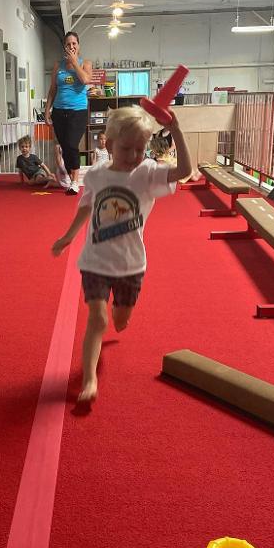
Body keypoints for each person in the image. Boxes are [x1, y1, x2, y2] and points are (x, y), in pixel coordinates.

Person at [51, 105, 193, 403]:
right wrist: (68, 236)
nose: (134, 155)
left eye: (140, 148)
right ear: (109, 143)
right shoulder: (97, 175)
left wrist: (176, 130)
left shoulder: (148, 174)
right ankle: (89, 380)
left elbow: (184, 172)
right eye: (126, 148)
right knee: (98, 319)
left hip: (131, 264)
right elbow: (87, 206)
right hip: (96, 261)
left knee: (120, 320)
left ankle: (119, 318)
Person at [45, 31, 92, 196]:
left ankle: (75, 181)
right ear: (64, 47)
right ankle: (71, 178)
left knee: (72, 144)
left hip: (78, 111)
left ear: (78, 46)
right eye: (68, 44)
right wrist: (47, 111)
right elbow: (52, 89)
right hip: (59, 111)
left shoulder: (85, 63)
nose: (71, 46)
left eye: (74, 44)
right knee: (65, 147)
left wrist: (74, 62)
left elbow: (86, 80)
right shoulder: (58, 66)